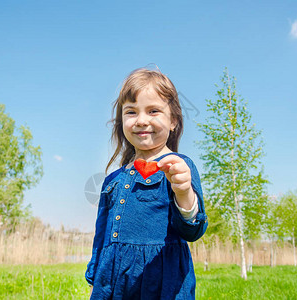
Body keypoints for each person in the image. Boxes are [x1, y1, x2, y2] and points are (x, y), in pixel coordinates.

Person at [85, 67, 208, 299]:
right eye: (131, 112)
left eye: (153, 111)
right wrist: (93, 279)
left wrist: (183, 193)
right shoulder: (112, 181)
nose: (141, 120)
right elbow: (101, 237)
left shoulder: (179, 167)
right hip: (112, 286)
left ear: (173, 120)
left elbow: (192, 231)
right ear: (121, 120)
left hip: (162, 283)